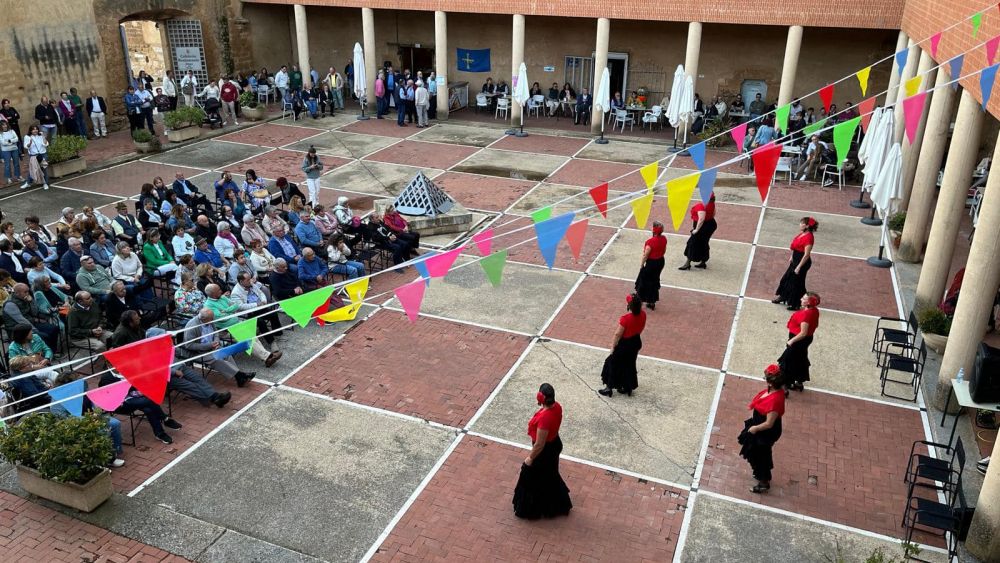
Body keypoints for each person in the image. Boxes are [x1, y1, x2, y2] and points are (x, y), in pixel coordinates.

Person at [512, 382, 572, 519]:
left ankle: (532, 509)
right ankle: (555, 505)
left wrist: (530, 458)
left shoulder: (545, 418)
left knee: (531, 476)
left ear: (540, 397)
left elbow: (540, 444)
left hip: (545, 451)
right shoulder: (557, 407)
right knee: (549, 476)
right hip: (554, 444)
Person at [739, 364, 786, 494]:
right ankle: (760, 474)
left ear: (771, 382)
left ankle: (764, 482)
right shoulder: (773, 391)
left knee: (761, 456)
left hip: (764, 432)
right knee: (758, 454)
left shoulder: (775, 400)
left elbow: (769, 423)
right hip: (759, 425)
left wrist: (754, 428)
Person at [598, 293, 646, 397]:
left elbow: (617, 334)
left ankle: (609, 387)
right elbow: (642, 327)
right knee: (629, 364)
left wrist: (613, 347)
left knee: (611, 362)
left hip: (625, 344)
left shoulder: (625, 319)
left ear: (629, 305)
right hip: (636, 341)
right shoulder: (643, 314)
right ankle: (628, 387)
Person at [772, 217, 817, 309]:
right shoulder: (803, 234)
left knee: (797, 284)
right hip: (795, 260)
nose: (800, 224)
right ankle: (783, 296)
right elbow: (795, 247)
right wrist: (792, 256)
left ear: (807, 226)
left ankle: (796, 304)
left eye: (802, 223)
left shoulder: (809, 238)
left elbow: (806, 255)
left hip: (802, 263)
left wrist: (799, 267)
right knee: (786, 279)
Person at [781, 292, 820, 393]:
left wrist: (791, 341)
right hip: (806, 340)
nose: (801, 299)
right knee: (800, 359)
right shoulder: (815, 311)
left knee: (788, 361)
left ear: (809, 302)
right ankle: (799, 382)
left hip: (798, 340)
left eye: (804, 298)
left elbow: (803, 333)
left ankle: (785, 385)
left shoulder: (806, 314)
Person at [2, 283, 60, 352]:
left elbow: (34, 313)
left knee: (53, 329)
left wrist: (31, 302)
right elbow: (21, 320)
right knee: (43, 336)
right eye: (25, 292)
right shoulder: (10, 304)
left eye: (28, 291)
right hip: (17, 329)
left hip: (29, 323)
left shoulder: (24, 299)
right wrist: (35, 330)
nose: (28, 294)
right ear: (17, 293)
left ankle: (52, 351)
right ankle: (45, 353)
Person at [679, 194, 719, 270]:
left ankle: (687, 263)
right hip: (711, 224)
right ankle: (703, 262)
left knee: (692, 243)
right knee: (704, 243)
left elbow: (701, 219)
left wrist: (697, 230)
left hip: (702, 227)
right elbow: (713, 213)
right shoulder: (712, 204)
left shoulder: (701, 206)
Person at [635, 221, 666, 310]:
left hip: (651, 264)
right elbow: (664, 250)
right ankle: (652, 302)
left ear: (654, 231)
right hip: (660, 261)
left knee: (643, 280)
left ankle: (639, 300)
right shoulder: (664, 238)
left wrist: (642, 265)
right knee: (655, 280)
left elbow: (646, 255)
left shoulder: (650, 242)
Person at [21, 125, 49, 190]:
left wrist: (43, 136)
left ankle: (45, 183)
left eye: (36, 129)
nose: (35, 130)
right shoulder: (27, 137)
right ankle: (28, 183)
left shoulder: (40, 136)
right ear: (30, 130)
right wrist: (30, 143)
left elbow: (46, 144)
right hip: (33, 155)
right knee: (32, 169)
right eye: (33, 129)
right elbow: (26, 146)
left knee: (44, 168)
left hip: (42, 154)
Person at [0, 120, 21, 186]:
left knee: (16, 163)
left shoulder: (12, 131)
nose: (5, 126)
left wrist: (9, 141)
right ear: (0, 126)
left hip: (14, 149)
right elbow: (3, 143)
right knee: (7, 165)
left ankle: (18, 176)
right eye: (3, 125)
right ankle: (9, 178)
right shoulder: (0, 133)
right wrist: (12, 141)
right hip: (5, 150)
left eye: (5, 124)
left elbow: (16, 139)